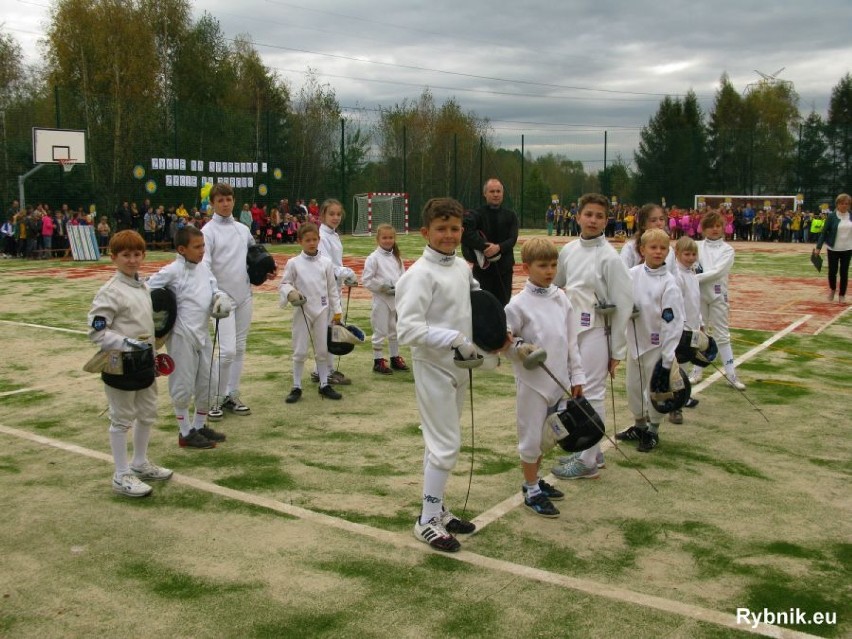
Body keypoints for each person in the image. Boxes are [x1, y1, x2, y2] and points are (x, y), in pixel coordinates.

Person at [396, 197, 480, 552]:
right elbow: (408, 331)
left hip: (459, 367)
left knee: (439, 442)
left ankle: (438, 508)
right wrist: (455, 339)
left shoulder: (461, 267)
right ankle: (426, 519)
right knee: (446, 445)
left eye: (454, 229)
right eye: (441, 229)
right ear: (425, 232)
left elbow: (472, 302)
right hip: (433, 367)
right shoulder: (418, 275)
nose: (448, 235)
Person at [87, 230, 173, 497]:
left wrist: (151, 350)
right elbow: (97, 331)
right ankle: (121, 474)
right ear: (113, 257)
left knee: (147, 412)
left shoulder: (144, 286)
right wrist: (127, 343)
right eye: (125, 255)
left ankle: (139, 463)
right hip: (119, 363)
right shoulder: (109, 292)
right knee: (122, 417)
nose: (132, 260)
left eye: (137, 254)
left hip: (144, 362)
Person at [552, 193, 633, 477]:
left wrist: (617, 352)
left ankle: (586, 462)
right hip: (572, 329)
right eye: (588, 214)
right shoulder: (569, 250)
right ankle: (594, 453)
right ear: (578, 216)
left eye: (599, 216)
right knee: (574, 388)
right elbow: (559, 282)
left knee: (592, 392)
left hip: (598, 331)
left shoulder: (610, 257)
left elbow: (624, 305)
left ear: (606, 220)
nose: (593, 220)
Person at [505, 238, 585, 517]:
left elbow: (571, 341)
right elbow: (505, 342)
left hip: (558, 382)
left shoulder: (561, 298)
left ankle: (535, 481)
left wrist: (577, 376)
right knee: (530, 438)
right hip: (532, 384)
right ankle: (531, 488)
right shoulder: (517, 305)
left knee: (545, 437)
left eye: (553, 265)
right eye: (542, 266)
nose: (549, 271)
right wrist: (519, 349)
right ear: (526, 267)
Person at [147, 225, 230, 449]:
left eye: (203, 246)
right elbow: (146, 289)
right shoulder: (171, 271)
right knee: (182, 385)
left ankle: (199, 425)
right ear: (182, 249)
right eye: (197, 247)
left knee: (207, 383)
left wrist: (220, 298)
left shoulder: (204, 269)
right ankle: (185, 433)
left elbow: (214, 289)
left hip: (202, 334)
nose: (202, 250)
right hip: (182, 336)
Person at [202, 182, 268, 421]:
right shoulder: (207, 232)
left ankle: (231, 394)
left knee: (239, 348)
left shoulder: (242, 229)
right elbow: (205, 266)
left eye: (228, 199)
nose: (225, 203)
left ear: (233, 200)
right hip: (221, 299)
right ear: (213, 203)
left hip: (243, 295)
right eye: (220, 200)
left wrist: (266, 269)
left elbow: (256, 257)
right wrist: (215, 294)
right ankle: (214, 398)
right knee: (227, 351)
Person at [615, 229, 684, 452]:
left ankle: (653, 430)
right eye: (653, 248)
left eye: (663, 248)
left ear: (668, 252)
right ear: (642, 250)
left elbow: (672, 322)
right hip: (635, 342)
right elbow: (620, 298)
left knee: (655, 389)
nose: (658, 252)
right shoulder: (632, 274)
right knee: (633, 387)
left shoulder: (669, 283)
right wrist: (626, 308)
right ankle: (639, 425)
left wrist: (667, 359)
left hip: (656, 345)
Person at [280, 223, 344, 404]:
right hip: (303, 311)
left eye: (314, 239)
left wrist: (337, 311)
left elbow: (332, 289)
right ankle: (296, 386)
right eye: (307, 240)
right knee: (300, 350)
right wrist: (290, 293)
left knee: (322, 350)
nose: (311, 243)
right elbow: (285, 284)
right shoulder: (293, 263)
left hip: (322, 310)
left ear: (319, 240)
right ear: (300, 241)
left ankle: (324, 384)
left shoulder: (326, 263)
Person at [690, 211, 744, 389]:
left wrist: (692, 279)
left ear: (723, 228)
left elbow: (717, 272)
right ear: (703, 229)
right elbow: (688, 265)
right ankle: (696, 372)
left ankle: (731, 375)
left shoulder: (727, 250)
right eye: (710, 226)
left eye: (717, 226)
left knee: (722, 335)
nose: (714, 229)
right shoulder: (696, 246)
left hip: (719, 296)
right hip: (698, 295)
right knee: (699, 334)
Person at [316, 199, 357, 386]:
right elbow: (326, 265)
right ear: (323, 215)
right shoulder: (321, 236)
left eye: (338, 214)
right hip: (324, 289)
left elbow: (336, 265)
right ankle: (325, 371)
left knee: (332, 328)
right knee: (327, 331)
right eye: (331, 214)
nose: (335, 217)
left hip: (335, 287)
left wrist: (343, 276)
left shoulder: (334, 235)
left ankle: (323, 370)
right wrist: (345, 272)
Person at [460, 178, 519, 306]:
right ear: (485, 194)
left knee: (504, 305)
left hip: (504, 269)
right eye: (492, 191)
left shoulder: (511, 215)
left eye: (498, 191)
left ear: (502, 194)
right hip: (483, 269)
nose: (496, 194)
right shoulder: (476, 215)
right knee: (482, 305)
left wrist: (498, 248)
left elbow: (512, 239)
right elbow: (464, 233)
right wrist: (485, 247)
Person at [361, 224, 408, 375]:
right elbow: (367, 280)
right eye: (385, 238)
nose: (388, 241)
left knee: (394, 330)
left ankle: (394, 357)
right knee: (380, 329)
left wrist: (401, 289)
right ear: (378, 239)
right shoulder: (373, 258)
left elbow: (404, 277)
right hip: (381, 300)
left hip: (395, 299)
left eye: (391, 238)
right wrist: (382, 287)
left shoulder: (397, 257)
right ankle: (378, 360)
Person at [668, 236, 702, 425]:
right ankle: (675, 407)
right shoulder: (677, 276)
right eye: (686, 254)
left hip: (692, 327)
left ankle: (682, 398)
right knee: (675, 371)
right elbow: (677, 304)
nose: (690, 258)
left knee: (685, 366)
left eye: (693, 254)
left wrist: (700, 322)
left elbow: (695, 302)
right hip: (680, 329)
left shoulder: (692, 273)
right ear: (677, 254)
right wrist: (681, 327)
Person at [814, 193, 852, 304]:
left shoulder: (851, 215)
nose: (844, 206)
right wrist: (818, 247)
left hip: (848, 248)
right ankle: (833, 289)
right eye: (842, 203)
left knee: (844, 272)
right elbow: (824, 232)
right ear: (837, 204)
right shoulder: (832, 216)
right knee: (832, 272)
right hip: (833, 248)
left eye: (847, 204)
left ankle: (842, 295)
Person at [621, 203, 675, 274]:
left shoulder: (669, 250)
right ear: (643, 225)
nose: (659, 223)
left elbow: (674, 278)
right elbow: (622, 275)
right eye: (653, 220)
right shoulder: (630, 248)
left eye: (661, 219)